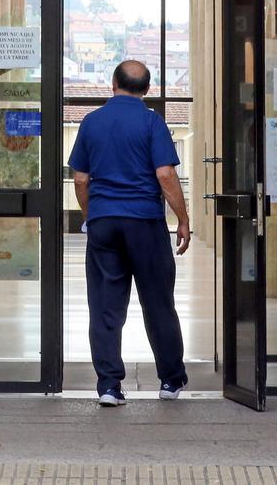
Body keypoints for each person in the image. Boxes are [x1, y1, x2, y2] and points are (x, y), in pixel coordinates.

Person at [68, 60, 191, 407]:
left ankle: (109, 386)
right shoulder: (152, 122)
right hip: (145, 223)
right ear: (147, 90)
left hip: (105, 223)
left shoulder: (91, 123)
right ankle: (170, 380)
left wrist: (93, 217)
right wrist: (182, 219)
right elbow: (165, 174)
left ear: (112, 84)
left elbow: (80, 179)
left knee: (106, 307)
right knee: (158, 303)